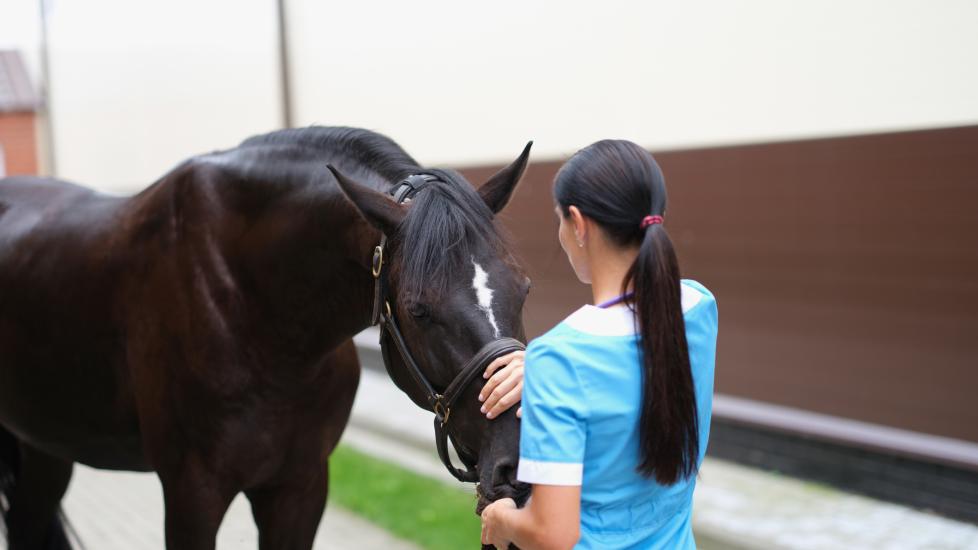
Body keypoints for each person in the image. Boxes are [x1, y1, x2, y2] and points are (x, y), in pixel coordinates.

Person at [479, 139, 718, 549]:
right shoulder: (697, 309)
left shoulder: (560, 359)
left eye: (559, 220)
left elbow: (552, 534)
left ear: (578, 223)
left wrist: (501, 518)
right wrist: (540, 369)